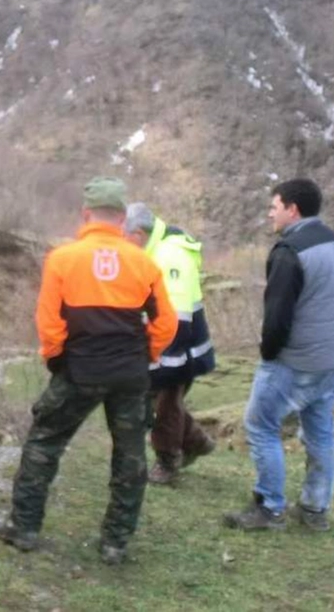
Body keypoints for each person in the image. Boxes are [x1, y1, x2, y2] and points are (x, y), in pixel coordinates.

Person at [0, 177, 177, 565]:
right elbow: (166, 324)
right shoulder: (144, 263)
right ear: (123, 219)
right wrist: (146, 355)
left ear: (85, 214)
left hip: (79, 370)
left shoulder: (62, 258)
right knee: (130, 456)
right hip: (129, 374)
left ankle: (23, 528)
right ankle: (115, 543)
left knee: (44, 444)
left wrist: (57, 358)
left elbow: (49, 321)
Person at [223, 178, 334, 532]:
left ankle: (270, 508)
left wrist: (268, 355)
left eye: (274, 206)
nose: (270, 213)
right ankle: (314, 510)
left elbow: (277, 315)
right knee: (320, 431)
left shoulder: (289, 251)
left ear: (292, 209)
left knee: (261, 424)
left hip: (296, 360)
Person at [124, 203, 217, 485]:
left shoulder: (170, 256)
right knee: (163, 400)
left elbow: (176, 316)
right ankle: (196, 441)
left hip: (178, 346)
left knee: (166, 402)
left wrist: (164, 362)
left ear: (138, 234)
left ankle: (167, 461)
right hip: (167, 342)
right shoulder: (153, 251)